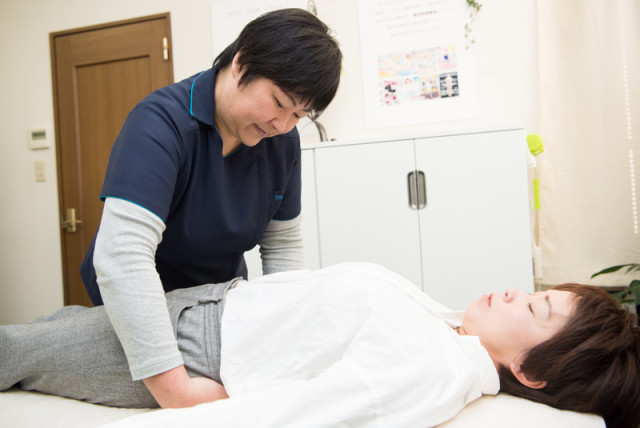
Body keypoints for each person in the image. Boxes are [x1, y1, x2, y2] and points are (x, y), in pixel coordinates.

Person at [77, 8, 342, 407]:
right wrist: (175, 390)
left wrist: (286, 334)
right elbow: (122, 255)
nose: (282, 125)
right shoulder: (160, 123)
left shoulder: (281, 143)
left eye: (298, 115)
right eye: (278, 103)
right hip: (143, 310)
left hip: (217, 311)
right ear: (241, 64)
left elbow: (283, 246)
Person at [1, 263, 639, 428]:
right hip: (204, 309)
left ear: (530, 373)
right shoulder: (449, 330)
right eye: (535, 290)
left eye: (536, 307)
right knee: (45, 331)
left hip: (191, 348)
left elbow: (296, 416)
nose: (514, 292)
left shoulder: (429, 368)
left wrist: (186, 402)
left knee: (15, 352)